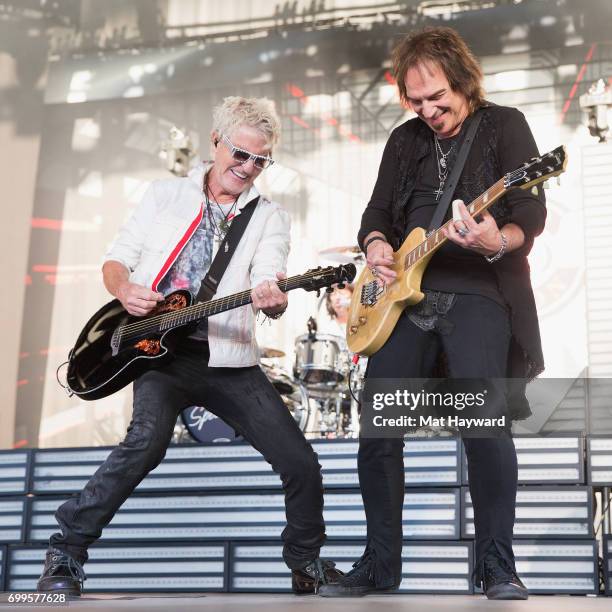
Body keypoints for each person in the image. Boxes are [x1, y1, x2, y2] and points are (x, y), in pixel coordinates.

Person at [37, 96, 341, 596]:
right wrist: (123, 289)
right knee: (145, 444)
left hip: (228, 358)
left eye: (260, 161)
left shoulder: (270, 217)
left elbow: (269, 276)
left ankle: (305, 562)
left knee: (300, 462)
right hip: (159, 352)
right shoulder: (164, 195)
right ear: (215, 142)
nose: (247, 169)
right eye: (239, 155)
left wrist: (273, 299)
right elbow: (118, 258)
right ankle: (65, 553)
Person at [319, 26, 546, 600]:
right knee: (378, 433)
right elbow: (377, 210)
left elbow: (529, 213)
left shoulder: (505, 125)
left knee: (485, 429)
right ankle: (378, 565)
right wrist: (375, 244)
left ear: (462, 79)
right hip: (400, 303)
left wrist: (497, 238)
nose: (428, 110)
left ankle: (497, 564)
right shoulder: (404, 140)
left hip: (478, 294)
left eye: (436, 97)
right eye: (415, 101)